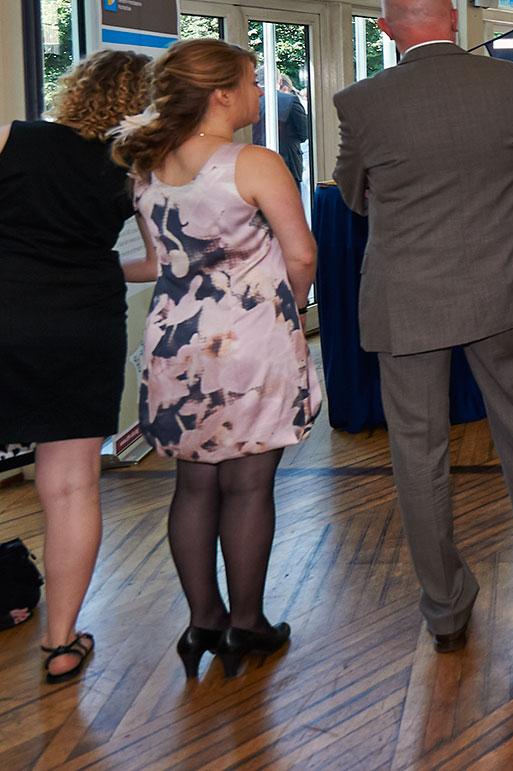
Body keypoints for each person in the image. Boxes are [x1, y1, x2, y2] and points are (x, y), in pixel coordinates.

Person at [332, 0, 513, 652]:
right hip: (500, 284)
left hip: (407, 296)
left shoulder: (361, 102)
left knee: (417, 450)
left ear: (386, 30)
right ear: (453, 18)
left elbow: (352, 194)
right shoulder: (510, 84)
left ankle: (445, 606)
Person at [117, 38, 323, 678]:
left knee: (194, 485)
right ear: (220, 94)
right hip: (248, 339)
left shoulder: (149, 166)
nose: (261, 92)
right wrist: (287, 309)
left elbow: (156, 263)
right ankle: (247, 624)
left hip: (175, 341)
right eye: (253, 81)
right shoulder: (253, 162)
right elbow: (302, 254)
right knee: (248, 486)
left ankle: (203, 621)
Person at [0, 50, 151, 682]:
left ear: (76, 88)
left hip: (6, 314)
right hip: (85, 327)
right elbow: (160, 262)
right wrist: (93, 268)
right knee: (71, 488)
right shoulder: (135, 170)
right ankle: (61, 644)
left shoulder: (13, 138)